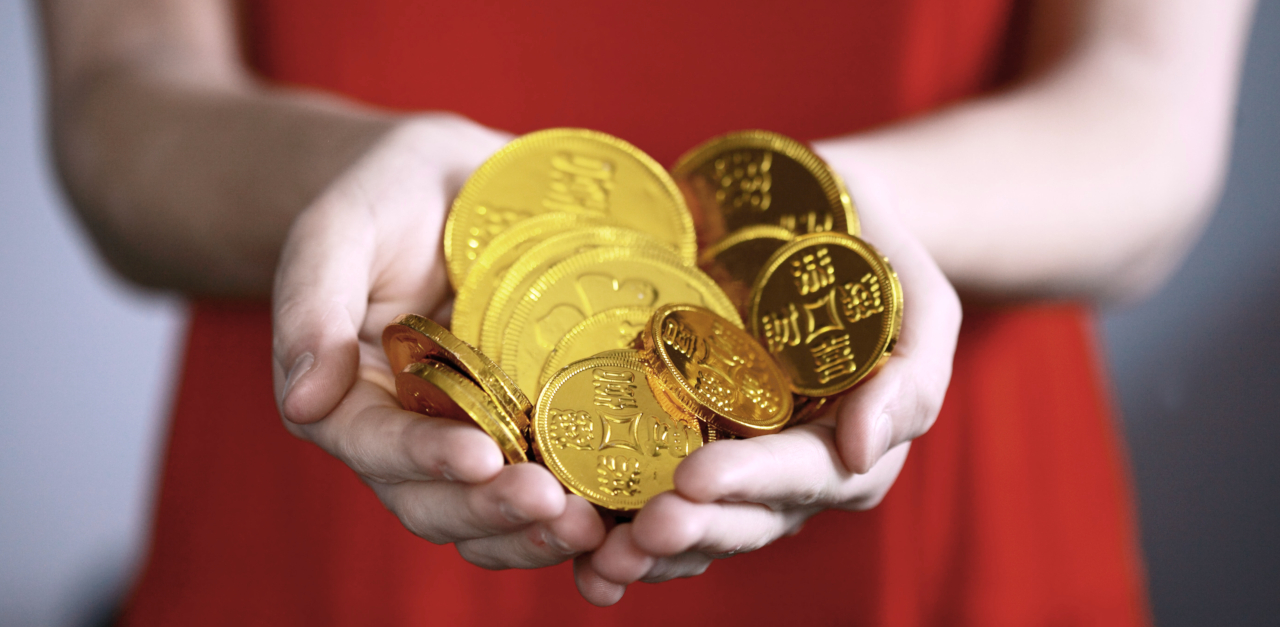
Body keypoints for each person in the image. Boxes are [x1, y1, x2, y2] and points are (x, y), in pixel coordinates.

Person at [39, 0, 1254, 624]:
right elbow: (118, 97)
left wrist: (848, 218)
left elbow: (1146, 114)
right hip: (344, 496)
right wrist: (357, 177)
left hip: (936, 533)